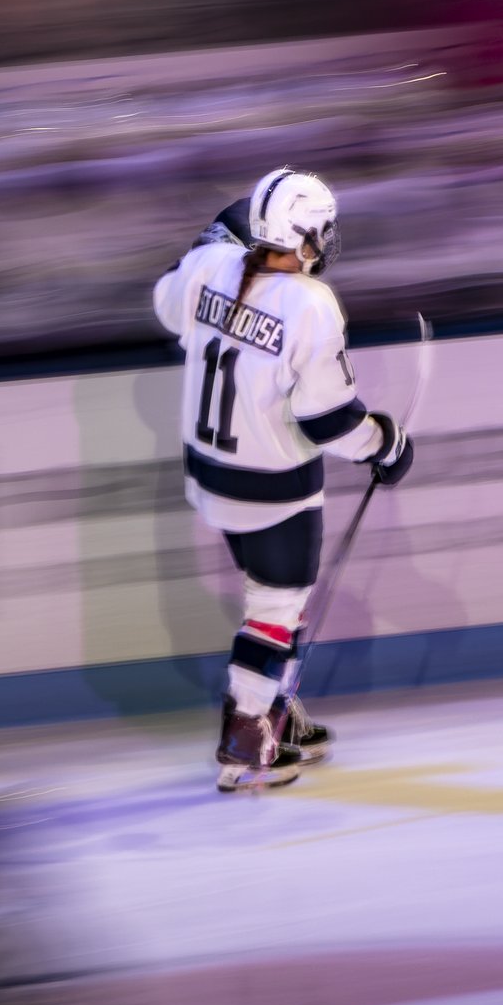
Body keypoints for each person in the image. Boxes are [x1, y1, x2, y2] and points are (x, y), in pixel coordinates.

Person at [152, 168, 417, 792]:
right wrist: (386, 445)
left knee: (274, 601)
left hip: (208, 474)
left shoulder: (211, 265)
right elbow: (327, 420)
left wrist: (206, 246)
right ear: (307, 235)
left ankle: (276, 711)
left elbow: (169, 302)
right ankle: (245, 738)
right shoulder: (311, 303)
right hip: (273, 485)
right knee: (273, 610)